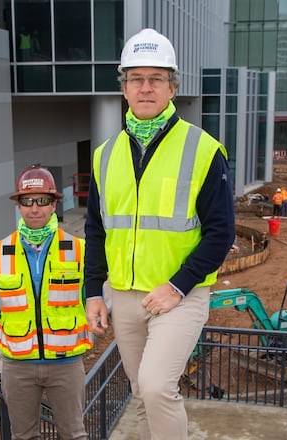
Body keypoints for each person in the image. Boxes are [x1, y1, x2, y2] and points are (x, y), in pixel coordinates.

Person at [83, 28, 235, 440]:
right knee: (139, 393)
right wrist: (93, 291)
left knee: (156, 386)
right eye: (136, 78)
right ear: (125, 88)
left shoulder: (203, 150)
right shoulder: (105, 155)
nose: (145, 87)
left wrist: (178, 286)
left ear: (172, 87)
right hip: (127, 296)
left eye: (155, 79)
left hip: (178, 295)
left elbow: (221, 233)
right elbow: (96, 229)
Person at [0, 165, 92, 440]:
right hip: (18, 365)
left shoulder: (78, 249)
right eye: (27, 200)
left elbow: (90, 298)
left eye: (42, 200)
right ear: (18, 205)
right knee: (23, 436)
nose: (34, 208)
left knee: (74, 435)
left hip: (66, 363)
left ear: (54, 204)